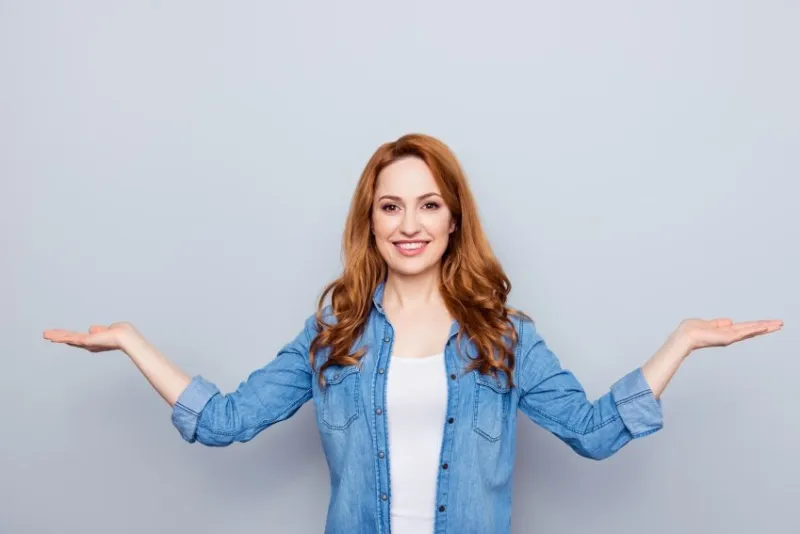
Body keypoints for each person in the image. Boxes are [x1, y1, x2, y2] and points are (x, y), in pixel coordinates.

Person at [43, 133, 783, 534]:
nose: (410, 224)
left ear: (453, 219)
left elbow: (593, 433)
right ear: (371, 221)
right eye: (391, 206)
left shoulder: (504, 338)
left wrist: (681, 341)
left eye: (428, 205)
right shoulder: (332, 336)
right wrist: (133, 342)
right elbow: (225, 421)